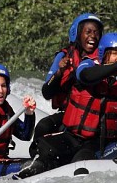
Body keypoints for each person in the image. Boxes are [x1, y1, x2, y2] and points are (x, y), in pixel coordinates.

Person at [34, 33, 117, 168]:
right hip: (75, 136)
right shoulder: (88, 64)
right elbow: (86, 76)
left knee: (81, 160)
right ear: (104, 54)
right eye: (115, 53)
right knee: (44, 150)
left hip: (110, 142)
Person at [30, 13, 103, 157]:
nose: (92, 36)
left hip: (94, 117)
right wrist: (59, 72)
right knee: (44, 126)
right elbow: (47, 92)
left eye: (96, 32)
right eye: (88, 32)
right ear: (77, 34)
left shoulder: (105, 58)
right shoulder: (63, 57)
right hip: (67, 114)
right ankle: (37, 160)